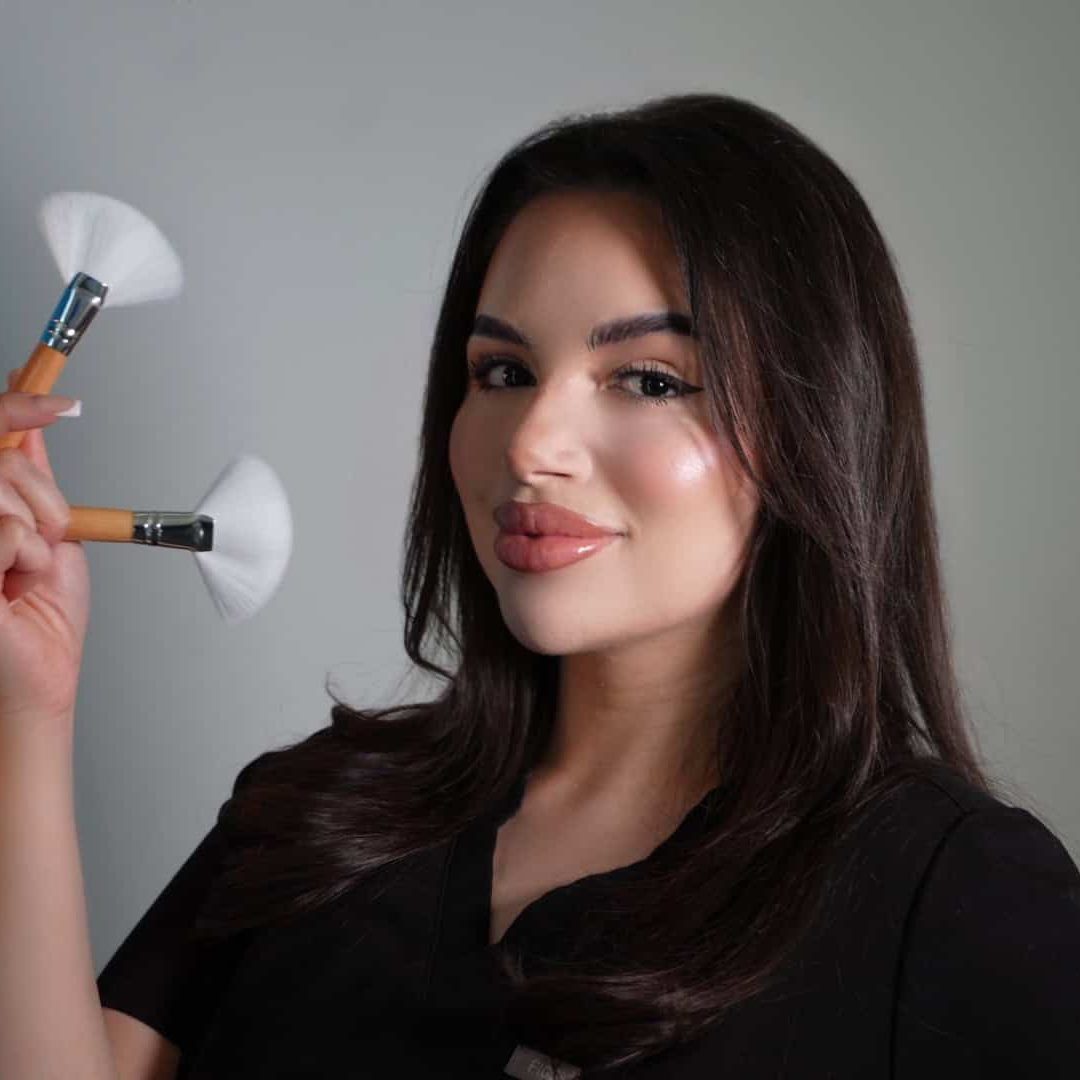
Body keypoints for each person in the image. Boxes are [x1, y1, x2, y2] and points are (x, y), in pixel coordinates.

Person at [1, 93, 1078, 1079]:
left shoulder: (955, 898)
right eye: (502, 373)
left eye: (649, 379)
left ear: (815, 424)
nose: (532, 445)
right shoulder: (312, 816)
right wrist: (28, 711)